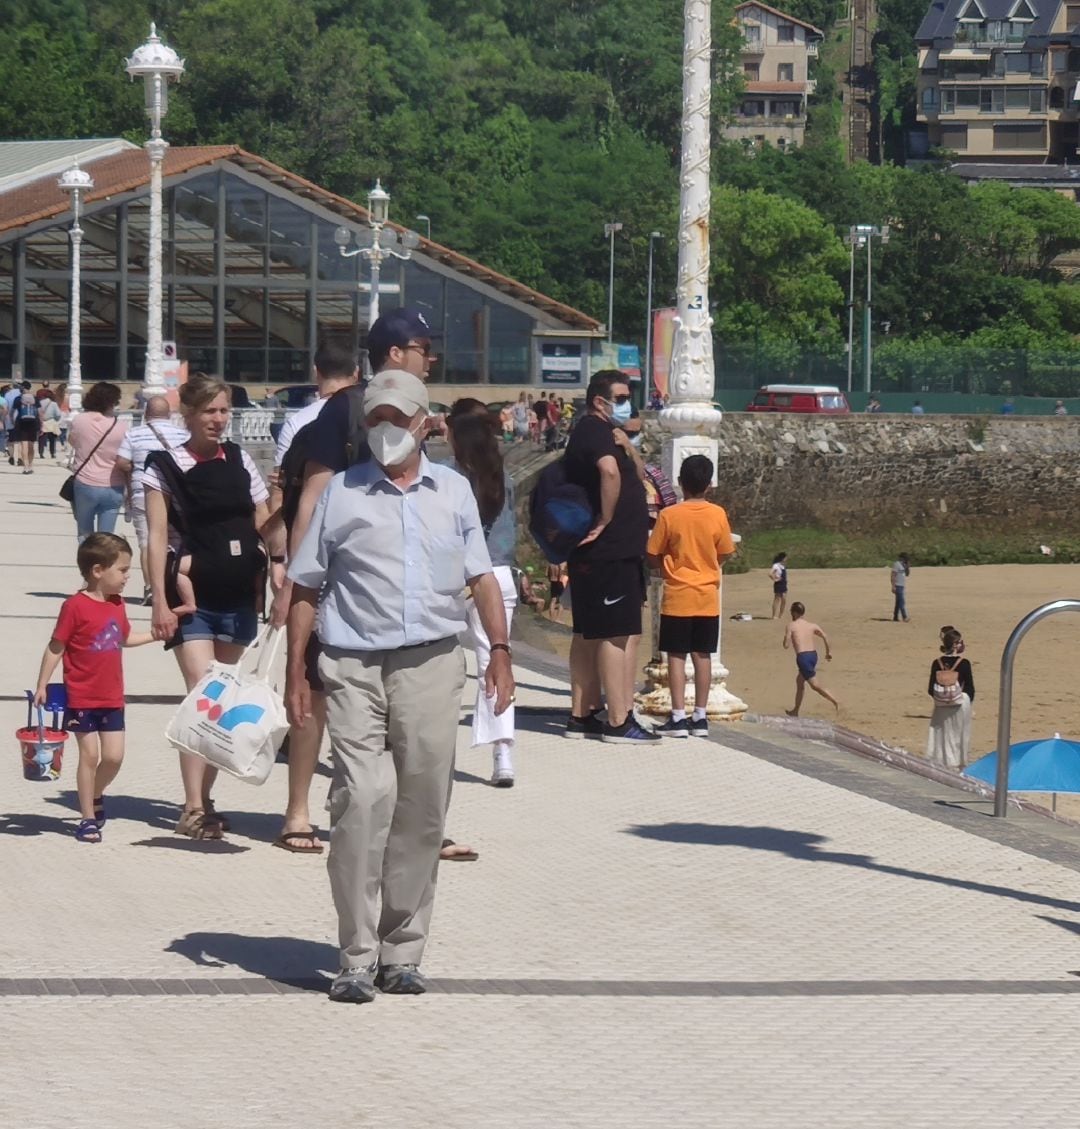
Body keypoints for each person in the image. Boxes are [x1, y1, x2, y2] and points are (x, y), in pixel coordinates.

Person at [286, 369, 514, 1003]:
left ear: (424, 423)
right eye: (374, 418)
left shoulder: (455, 492)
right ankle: (354, 957)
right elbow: (305, 586)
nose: (385, 429)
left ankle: (402, 951)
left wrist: (499, 651)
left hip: (434, 663)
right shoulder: (342, 494)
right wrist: (294, 672)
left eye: (396, 417)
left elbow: (482, 578)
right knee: (360, 801)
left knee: (422, 806)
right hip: (353, 665)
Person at [144, 373, 278, 841]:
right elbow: (157, 537)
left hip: (239, 595)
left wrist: (289, 508)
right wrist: (158, 599)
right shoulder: (163, 465)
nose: (219, 420)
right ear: (190, 415)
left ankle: (205, 799)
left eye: (224, 411)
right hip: (190, 599)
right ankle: (194, 807)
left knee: (222, 704)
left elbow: (264, 522)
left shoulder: (241, 460)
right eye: (210, 412)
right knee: (204, 696)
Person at [266, 338, 359, 854]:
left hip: (318, 576)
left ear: (315, 369)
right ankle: (343, 805)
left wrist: (285, 575)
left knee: (311, 698)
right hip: (353, 577)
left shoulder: (300, 423)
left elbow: (287, 500)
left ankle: (297, 809)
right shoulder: (376, 417)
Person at [33, 533, 154, 843]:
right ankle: (87, 817)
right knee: (89, 756)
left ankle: (95, 793)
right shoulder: (74, 606)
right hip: (82, 696)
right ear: (99, 570)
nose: (128, 576)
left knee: (114, 757)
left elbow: (125, 638)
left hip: (112, 697)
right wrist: (43, 684)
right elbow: (56, 647)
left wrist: (157, 634)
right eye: (123, 570)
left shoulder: (116, 605)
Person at [562, 370, 655, 744]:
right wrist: (606, 517)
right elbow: (610, 472)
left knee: (589, 632)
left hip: (609, 552)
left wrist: (629, 447)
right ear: (600, 402)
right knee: (617, 633)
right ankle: (618, 719)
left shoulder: (605, 434)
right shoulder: (594, 431)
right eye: (620, 397)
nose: (626, 402)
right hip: (610, 551)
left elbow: (638, 470)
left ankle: (582, 713)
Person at [447, 398, 518, 786]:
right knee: (494, 660)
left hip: (457, 578)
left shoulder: (445, 476)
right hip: (499, 573)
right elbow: (511, 530)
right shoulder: (502, 476)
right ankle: (502, 751)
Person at [646, 454, 735, 738]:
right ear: (709, 484)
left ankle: (677, 715)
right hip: (707, 593)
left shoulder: (670, 515)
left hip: (678, 592)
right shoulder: (718, 514)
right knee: (703, 655)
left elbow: (652, 552)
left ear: (681, 483)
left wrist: (666, 567)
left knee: (675, 655)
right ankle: (700, 715)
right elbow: (725, 552)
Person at [115, 395, 190, 601]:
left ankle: (151, 588)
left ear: (146, 413)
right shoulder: (182, 434)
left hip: (143, 492)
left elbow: (121, 462)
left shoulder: (134, 434)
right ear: (169, 414)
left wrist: (134, 470)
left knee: (147, 542)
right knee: (176, 541)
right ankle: (173, 584)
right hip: (176, 495)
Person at [66, 382, 128, 539]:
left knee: (84, 533)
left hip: (85, 483)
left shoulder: (79, 420)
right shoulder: (121, 427)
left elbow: (72, 441)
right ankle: (104, 562)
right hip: (113, 485)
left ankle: (87, 562)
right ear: (112, 402)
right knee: (106, 537)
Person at [926, 627, 974, 768]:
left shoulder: (937, 663)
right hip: (960, 703)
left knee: (941, 734)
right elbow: (970, 688)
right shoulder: (964, 663)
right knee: (960, 734)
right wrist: (965, 700)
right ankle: (959, 762)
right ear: (954, 645)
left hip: (941, 705)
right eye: (959, 642)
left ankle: (943, 761)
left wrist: (942, 697)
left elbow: (930, 688)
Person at [783, 602, 838, 716]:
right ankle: (795, 711)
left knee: (815, 686)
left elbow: (786, 645)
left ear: (794, 612)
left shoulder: (791, 625)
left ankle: (835, 701)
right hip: (813, 655)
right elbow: (825, 636)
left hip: (803, 657)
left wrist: (786, 638)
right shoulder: (812, 625)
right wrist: (829, 652)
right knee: (800, 682)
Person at [13, 381, 39, 474]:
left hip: (21, 423)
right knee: (31, 445)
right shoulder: (35, 398)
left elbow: (13, 411)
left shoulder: (18, 399)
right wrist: (41, 424)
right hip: (33, 423)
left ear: (22, 388)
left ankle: (25, 467)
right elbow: (40, 412)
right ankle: (31, 465)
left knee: (24, 445)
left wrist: (13, 421)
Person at [37, 392, 62, 459]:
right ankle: (52, 453)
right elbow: (58, 414)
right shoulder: (53, 404)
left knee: (41, 439)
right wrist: (56, 420)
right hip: (51, 422)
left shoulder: (39, 403)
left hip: (42, 422)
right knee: (52, 440)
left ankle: (41, 453)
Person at [891, 553, 910, 622]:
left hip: (902, 585)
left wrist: (907, 567)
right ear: (901, 558)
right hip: (897, 585)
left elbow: (907, 574)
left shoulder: (904, 565)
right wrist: (893, 586)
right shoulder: (896, 564)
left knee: (898, 602)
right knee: (902, 601)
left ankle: (895, 617)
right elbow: (893, 575)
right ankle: (904, 617)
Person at [3, 380, 20, 462]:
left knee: (11, 439)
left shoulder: (7, 394)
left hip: (9, 419)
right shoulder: (22, 394)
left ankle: (12, 456)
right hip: (20, 419)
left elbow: (6, 407)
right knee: (21, 440)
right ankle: (20, 457)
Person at [769, 552, 788, 619]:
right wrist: (775, 579)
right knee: (777, 599)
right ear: (782, 558)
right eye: (785, 557)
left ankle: (781, 615)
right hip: (778, 584)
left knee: (784, 599)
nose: (786, 559)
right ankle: (774, 615)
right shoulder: (776, 565)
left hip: (784, 583)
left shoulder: (783, 565)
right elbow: (770, 573)